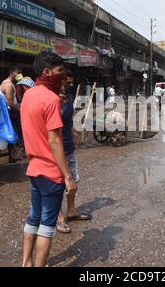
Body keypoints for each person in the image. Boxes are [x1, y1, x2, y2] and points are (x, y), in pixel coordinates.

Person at [20, 52, 77, 267]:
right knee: (47, 223)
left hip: (34, 168)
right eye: (59, 72)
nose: (62, 77)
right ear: (46, 72)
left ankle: (26, 263)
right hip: (50, 172)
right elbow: (54, 142)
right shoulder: (51, 99)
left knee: (33, 217)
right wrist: (67, 176)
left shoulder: (28, 95)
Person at [56, 70, 92, 234]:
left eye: (71, 83)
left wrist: (74, 138)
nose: (69, 86)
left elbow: (69, 121)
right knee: (57, 184)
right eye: (66, 83)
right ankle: (59, 217)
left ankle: (71, 210)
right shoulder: (52, 99)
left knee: (73, 181)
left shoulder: (69, 98)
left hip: (69, 146)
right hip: (55, 148)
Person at [0, 64, 23, 162]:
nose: (20, 75)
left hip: (8, 112)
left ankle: (13, 155)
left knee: (14, 133)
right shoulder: (8, 85)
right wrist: (20, 112)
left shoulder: (10, 83)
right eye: (18, 72)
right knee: (14, 134)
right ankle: (13, 155)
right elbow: (11, 103)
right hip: (8, 113)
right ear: (12, 72)